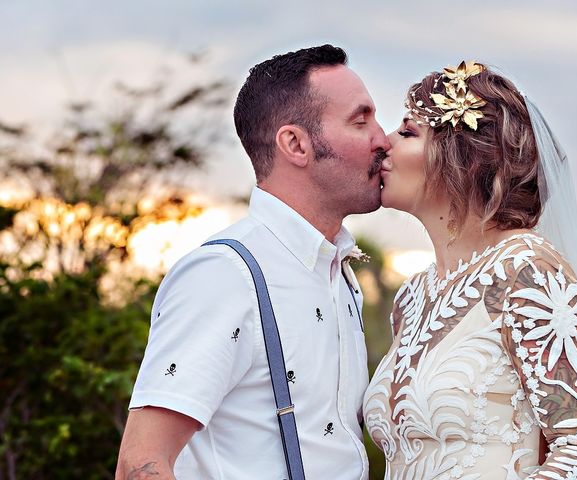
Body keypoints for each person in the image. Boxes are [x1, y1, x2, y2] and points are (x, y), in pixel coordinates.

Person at [115, 44, 390, 479]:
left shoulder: (340, 274)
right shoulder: (225, 275)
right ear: (296, 144)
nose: (383, 139)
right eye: (361, 121)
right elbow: (142, 464)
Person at [364, 61, 577, 479]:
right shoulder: (411, 298)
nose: (384, 145)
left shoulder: (530, 272)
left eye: (408, 132)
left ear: (462, 158)